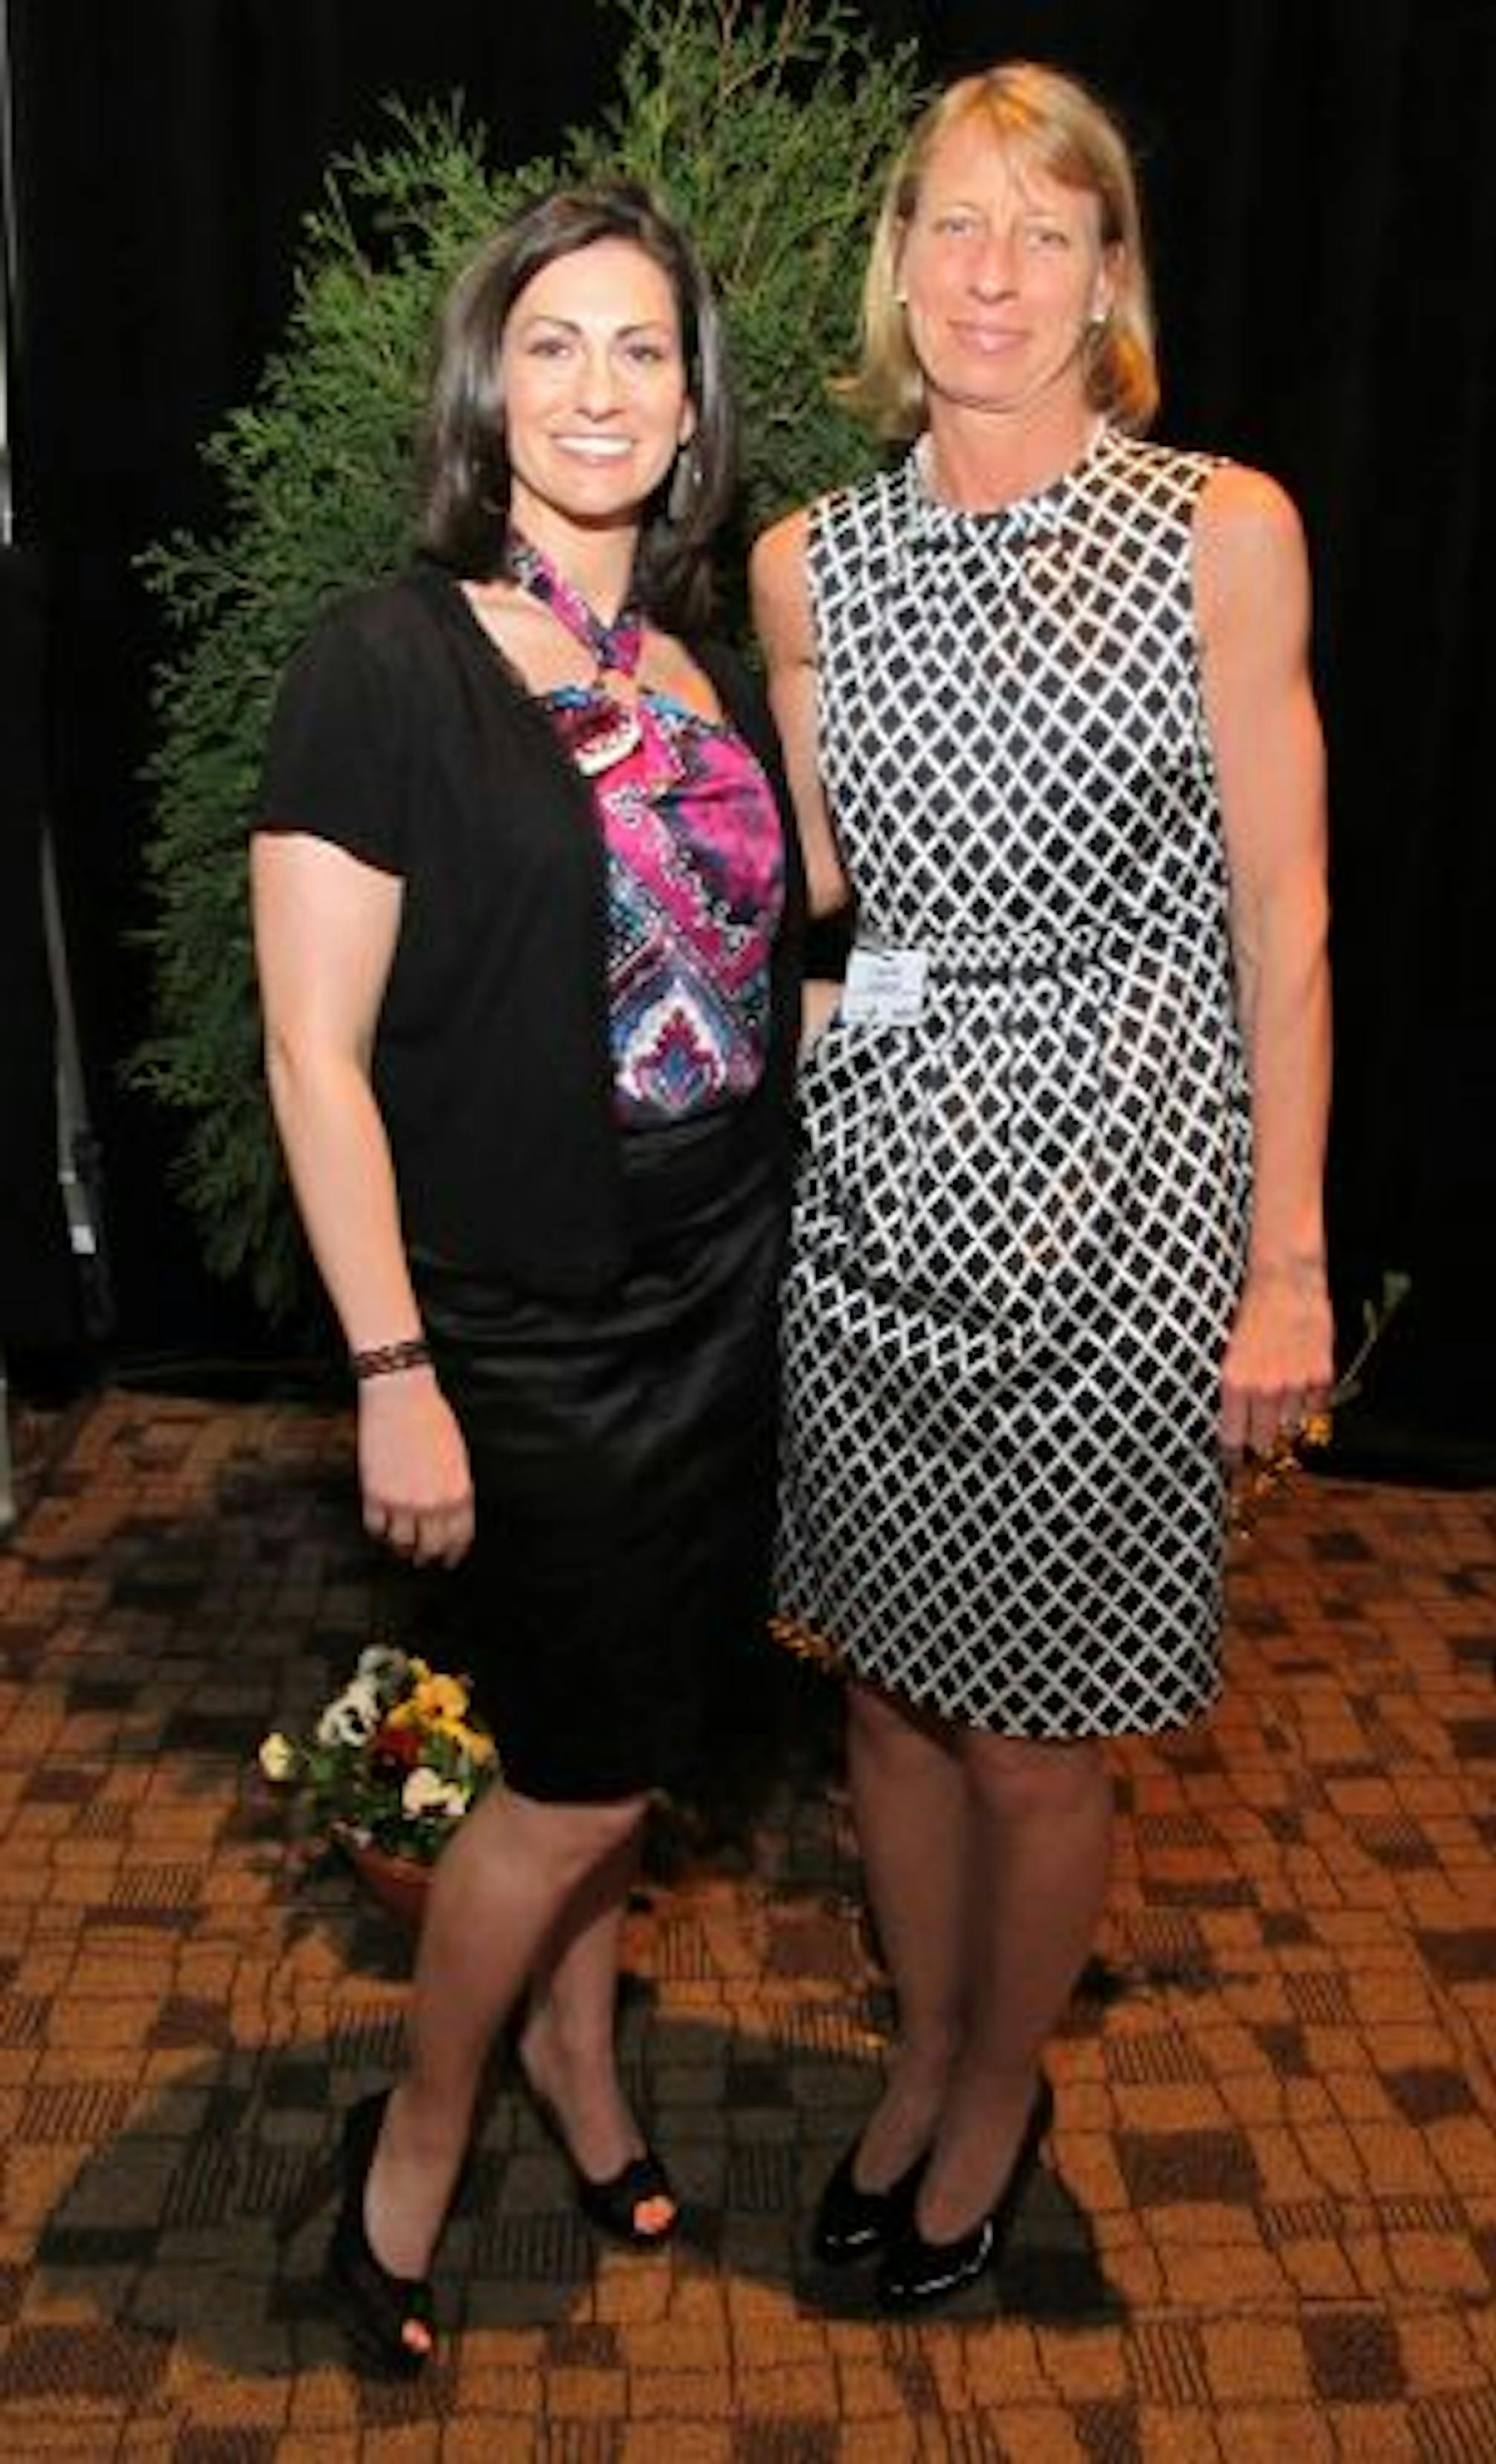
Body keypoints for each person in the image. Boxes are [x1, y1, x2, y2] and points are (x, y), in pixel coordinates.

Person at [752, 60, 1332, 2312]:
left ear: (1112, 279)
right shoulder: (811, 564)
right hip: (880, 1196)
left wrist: (1286, 1260)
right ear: (899, 266)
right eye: (954, 226)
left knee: (1037, 1717)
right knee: (886, 1687)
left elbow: (1285, 918)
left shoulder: (1222, 527)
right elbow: (818, 904)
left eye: (1045, 230)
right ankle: (925, 2046)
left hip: (1130, 1198)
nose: (993, 272)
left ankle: (1004, 2085)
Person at [254, 180, 803, 2373]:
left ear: (691, 409)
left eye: (643, 351)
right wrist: (393, 1361)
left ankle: (582, 2066)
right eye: (556, 345)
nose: (602, 389)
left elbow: (789, 965)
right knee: (571, 1768)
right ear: (490, 391)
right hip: (522, 1314)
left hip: (724, 1281)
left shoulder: (704, 666)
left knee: (639, 1734)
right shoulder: (383, 664)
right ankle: (420, 2134)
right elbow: (313, 1050)